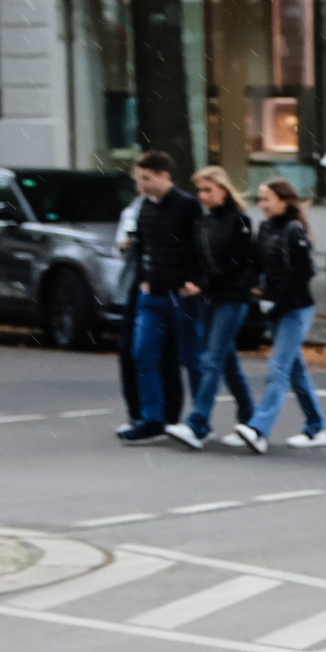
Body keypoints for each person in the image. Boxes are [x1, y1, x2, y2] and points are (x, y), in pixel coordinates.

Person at [232, 180, 326, 452]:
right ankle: (316, 427)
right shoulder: (265, 229)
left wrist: (279, 305)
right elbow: (254, 263)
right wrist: (255, 288)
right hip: (274, 307)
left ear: (284, 201)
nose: (262, 204)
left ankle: (258, 429)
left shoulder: (294, 230)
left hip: (295, 310)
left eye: (267, 199)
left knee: (277, 370)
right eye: (261, 199)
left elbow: (303, 274)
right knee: (294, 371)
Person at [169, 167, 258, 449]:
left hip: (232, 298)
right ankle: (250, 422)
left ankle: (197, 424)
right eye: (200, 190)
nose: (203, 196)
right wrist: (192, 281)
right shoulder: (204, 222)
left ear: (223, 189)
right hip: (209, 297)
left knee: (211, 360)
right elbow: (197, 258)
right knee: (227, 364)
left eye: (209, 190)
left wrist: (203, 284)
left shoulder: (239, 221)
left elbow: (237, 263)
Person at [117, 153, 202, 445]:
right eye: (138, 179)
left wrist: (193, 280)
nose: (141, 185)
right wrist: (143, 280)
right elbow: (144, 246)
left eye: (146, 178)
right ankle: (152, 418)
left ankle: (198, 419)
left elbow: (197, 246)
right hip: (151, 293)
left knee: (189, 358)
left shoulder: (187, 205)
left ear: (164, 176)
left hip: (178, 293)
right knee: (142, 354)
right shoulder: (145, 208)